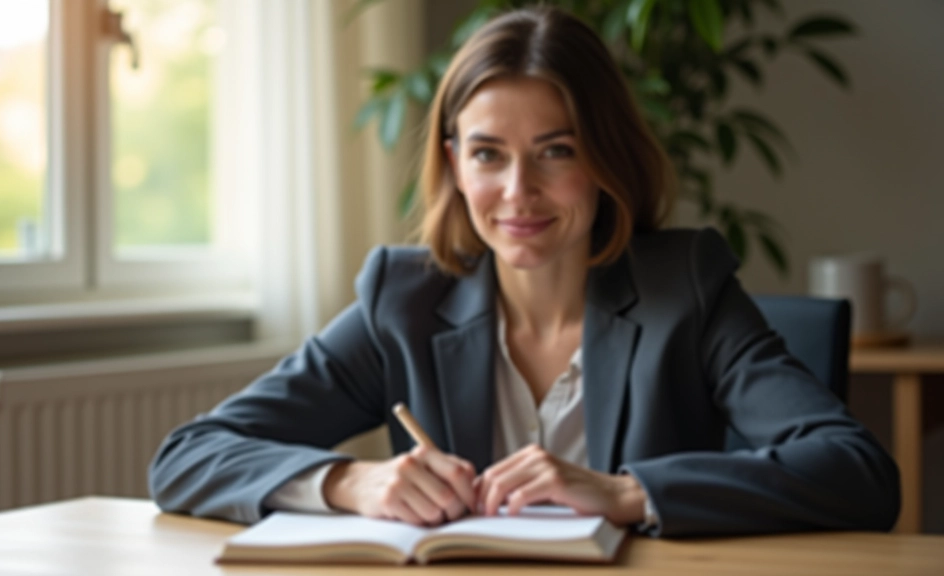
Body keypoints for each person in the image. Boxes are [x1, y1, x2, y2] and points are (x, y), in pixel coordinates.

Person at [149, 6, 899, 536]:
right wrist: (353, 481)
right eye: (488, 154)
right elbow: (188, 458)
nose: (518, 192)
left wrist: (624, 494)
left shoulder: (686, 290)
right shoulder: (403, 302)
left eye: (556, 151)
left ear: (605, 158)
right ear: (455, 164)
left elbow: (857, 471)